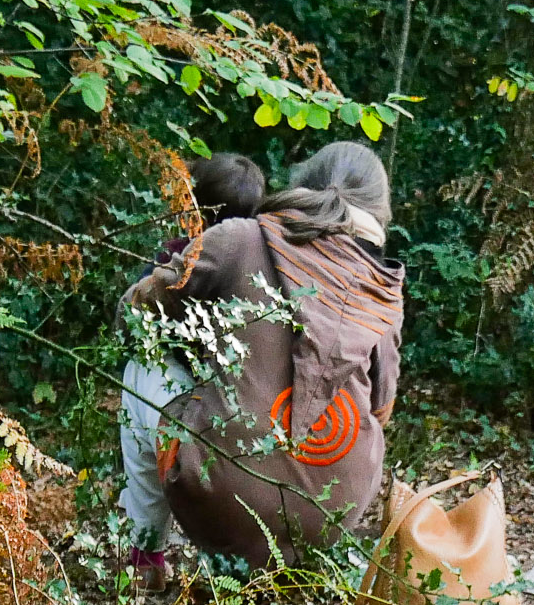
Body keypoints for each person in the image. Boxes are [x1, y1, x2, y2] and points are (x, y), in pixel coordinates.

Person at [123, 141, 404, 564]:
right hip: (332, 519)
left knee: (142, 367)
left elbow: (137, 311)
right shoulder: (381, 285)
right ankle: (301, 555)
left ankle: (145, 558)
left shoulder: (240, 238)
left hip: (225, 506)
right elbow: (382, 410)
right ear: (378, 209)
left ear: (302, 183)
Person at [119, 151, 266, 580]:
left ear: (194, 209)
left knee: (139, 375)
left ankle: (147, 553)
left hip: (196, 405)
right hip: (256, 413)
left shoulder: (180, 259)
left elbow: (132, 321)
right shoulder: (273, 266)